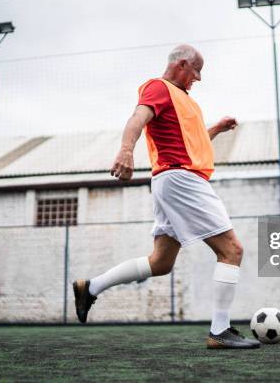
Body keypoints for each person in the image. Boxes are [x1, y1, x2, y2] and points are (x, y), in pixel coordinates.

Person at [73, 44, 260, 349]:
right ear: (182, 64)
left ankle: (90, 287)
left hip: (171, 180)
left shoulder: (186, 102)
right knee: (232, 250)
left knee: (161, 262)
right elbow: (138, 117)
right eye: (197, 70)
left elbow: (192, 142)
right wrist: (125, 149)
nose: (198, 78)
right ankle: (220, 331)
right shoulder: (159, 88)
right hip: (182, 179)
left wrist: (216, 129)